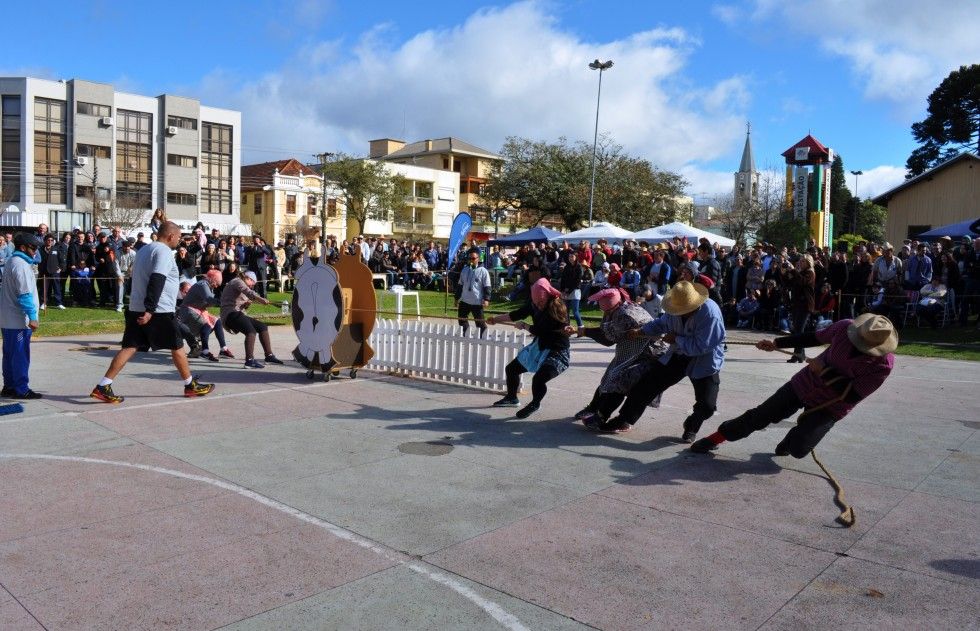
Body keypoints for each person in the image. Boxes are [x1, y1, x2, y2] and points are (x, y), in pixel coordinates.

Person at [691, 314, 897, 456]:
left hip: (831, 406)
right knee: (762, 414)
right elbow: (814, 338)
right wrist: (777, 344)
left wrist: (825, 372)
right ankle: (715, 438)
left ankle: (793, 439)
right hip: (804, 384)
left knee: (799, 450)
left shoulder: (883, 365)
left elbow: (852, 395)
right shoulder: (845, 327)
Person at [585, 281, 726, 443]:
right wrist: (642, 331)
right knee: (646, 385)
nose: (680, 313)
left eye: (684, 311)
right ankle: (624, 419)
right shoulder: (675, 307)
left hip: (705, 359)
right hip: (677, 355)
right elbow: (662, 323)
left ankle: (692, 426)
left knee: (707, 405)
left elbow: (701, 346)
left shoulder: (710, 314)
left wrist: (676, 339)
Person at [90, 222, 215, 403]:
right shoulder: (163, 252)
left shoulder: (143, 251)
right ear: (171, 236)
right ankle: (190, 386)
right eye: (179, 237)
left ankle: (103, 386)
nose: (179, 241)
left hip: (136, 307)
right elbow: (157, 279)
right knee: (177, 346)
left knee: (130, 347)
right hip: (158, 310)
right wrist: (150, 310)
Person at [575, 288, 668, 421]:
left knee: (619, 381)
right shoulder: (621, 306)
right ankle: (594, 409)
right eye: (604, 311)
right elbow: (605, 330)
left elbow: (607, 340)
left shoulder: (624, 315)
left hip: (650, 353)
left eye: (608, 311)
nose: (606, 314)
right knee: (610, 377)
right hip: (633, 348)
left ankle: (603, 416)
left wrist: (584, 331)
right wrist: (584, 330)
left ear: (616, 305)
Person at [487, 278, 572, 419]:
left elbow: (541, 330)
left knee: (539, 379)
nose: (538, 306)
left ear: (548, 296)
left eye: (541, 302)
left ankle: (535, 403)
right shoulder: (533, 305)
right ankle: (511, 398)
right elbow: (515, 314)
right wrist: (496, 319)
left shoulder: (557, 308)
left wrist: (525, 326)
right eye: (536, 302)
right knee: (512, 369)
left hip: (556, 351)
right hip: (540, 347)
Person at [1, 233, 43, 399]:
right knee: (20, 355)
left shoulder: (11, 261)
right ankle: (21, 389)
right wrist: (32, 316)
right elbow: (24, 294)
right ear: (23, 248)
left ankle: (9, 386)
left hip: (7, 319)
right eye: (33, 248)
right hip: (19, 320)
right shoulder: (21, 265)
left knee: (10, 354)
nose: (35, 252)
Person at [221, 270, 282, 368]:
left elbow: (242, 305)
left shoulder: (241, 285)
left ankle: (269, 356)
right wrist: (261, 299)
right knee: (251, 331)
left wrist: (246, 305)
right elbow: (248, 292)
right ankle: (249, 361)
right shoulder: (237, 281)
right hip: (229, 314)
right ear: (248, 278)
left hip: (236, 313)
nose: (252, 285)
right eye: (252, 283)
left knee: (262, 327)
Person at [178, 269, 235, 361]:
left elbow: (209, 302)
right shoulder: (203, 285)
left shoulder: (207, 286)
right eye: (216, 283)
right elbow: (209, 299)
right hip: (188, 311)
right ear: (212, 279)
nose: (216, 286)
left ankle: (223, 349)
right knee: (207, 325)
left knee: (217, 321)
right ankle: (205, 352)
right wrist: (224, 302)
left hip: (198, 310)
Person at [455, 249, 491, 337]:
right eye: (470, 258)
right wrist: (456, 298)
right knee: (461, 319)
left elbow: (487, 286)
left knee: (480, 322)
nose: (471, 260)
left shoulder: (483, 271)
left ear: (478, 258)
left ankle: (484, 337)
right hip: (465, 300)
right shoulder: (465, 270)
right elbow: (460, 285)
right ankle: (466, 334)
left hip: (477, 301)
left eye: (474, 258)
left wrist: (486, 299)